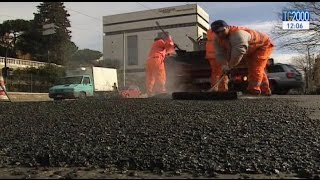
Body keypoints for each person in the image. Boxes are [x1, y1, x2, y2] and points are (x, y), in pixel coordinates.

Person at [210, 20, 274, 95]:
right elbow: (219, 54)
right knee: (254, 67)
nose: (220, 34)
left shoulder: (238, 35)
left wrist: (229, 66)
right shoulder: (217, 40)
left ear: (227, 27)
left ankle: (254, 90)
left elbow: (238, 52)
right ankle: (265, 90)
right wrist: (224, 65)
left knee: (256, 67)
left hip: (262, 46)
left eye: (222, 31)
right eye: (217, 32)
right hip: (250, 48)